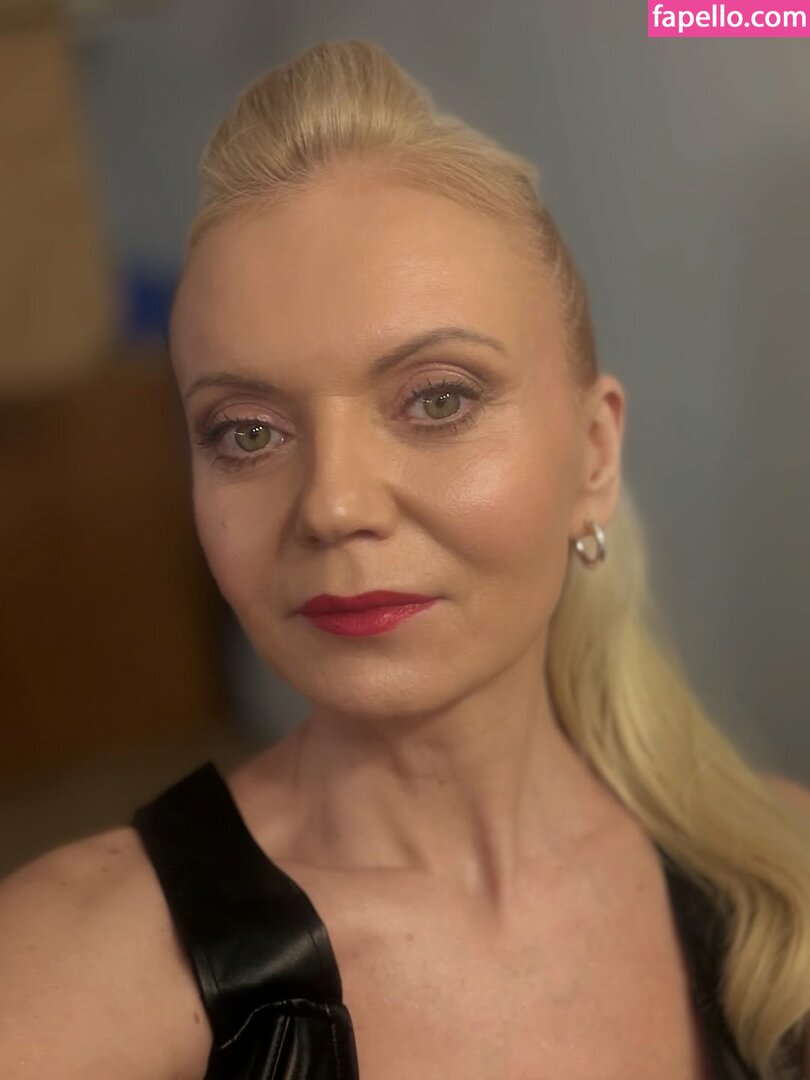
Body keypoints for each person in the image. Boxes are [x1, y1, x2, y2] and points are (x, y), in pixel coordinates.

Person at [1, 37, 809, 1080]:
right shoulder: (68, 974)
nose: (334, 505)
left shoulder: (781, 878)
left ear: (595, 455)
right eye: (247, 432)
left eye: (437, 400)